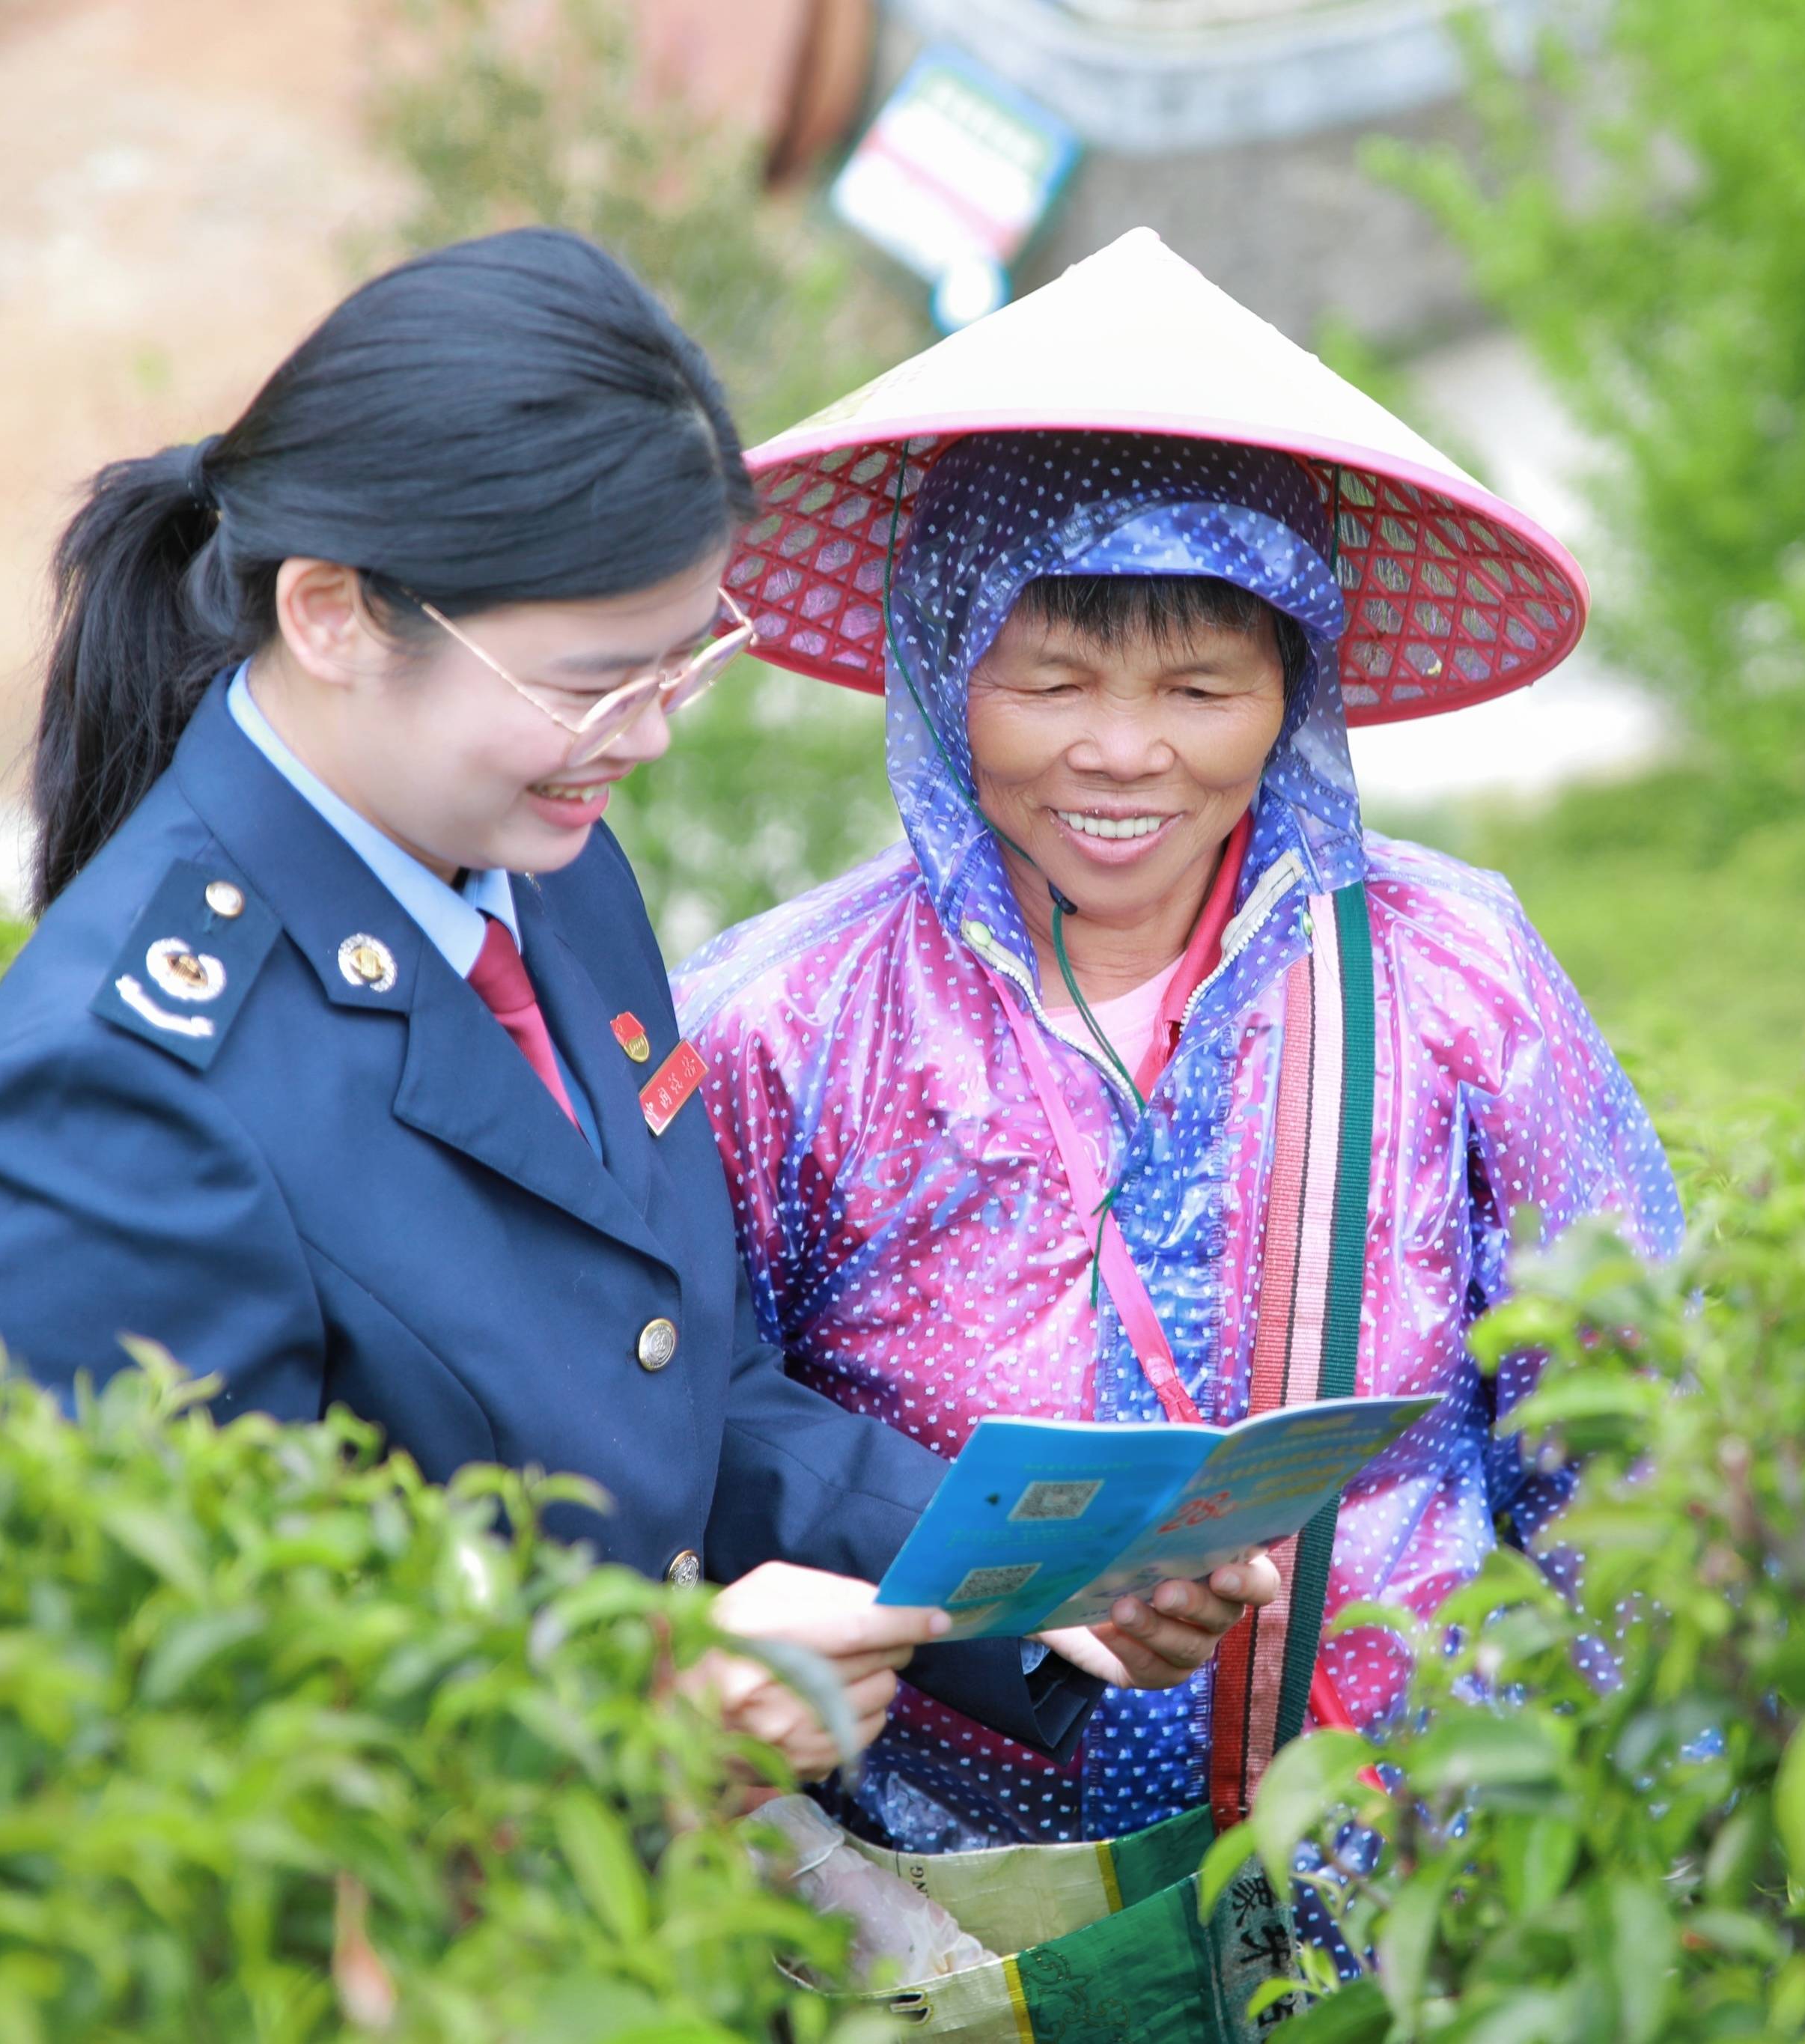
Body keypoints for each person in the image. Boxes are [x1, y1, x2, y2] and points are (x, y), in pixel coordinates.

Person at [0, 228, 1273, 1780]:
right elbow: (161, 1714)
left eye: (685, 662)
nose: (648, 739)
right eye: (591, 680)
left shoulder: (543, 867)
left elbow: (673, 1381)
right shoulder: (114, 1092)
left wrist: (1022, 1585)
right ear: (338, 613)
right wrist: (631, 1721)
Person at [677, 231, 1685, 1855]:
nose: (1125, 753)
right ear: (944, 677)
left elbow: (1621, 1418)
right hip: (958, 1903)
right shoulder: (781, 1025)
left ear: (1294, 687)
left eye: (1201, 687)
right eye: (1051, 681)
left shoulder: (1450, 971)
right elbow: (693, 1433)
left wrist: (1645, 1831)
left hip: (1418, 1876)